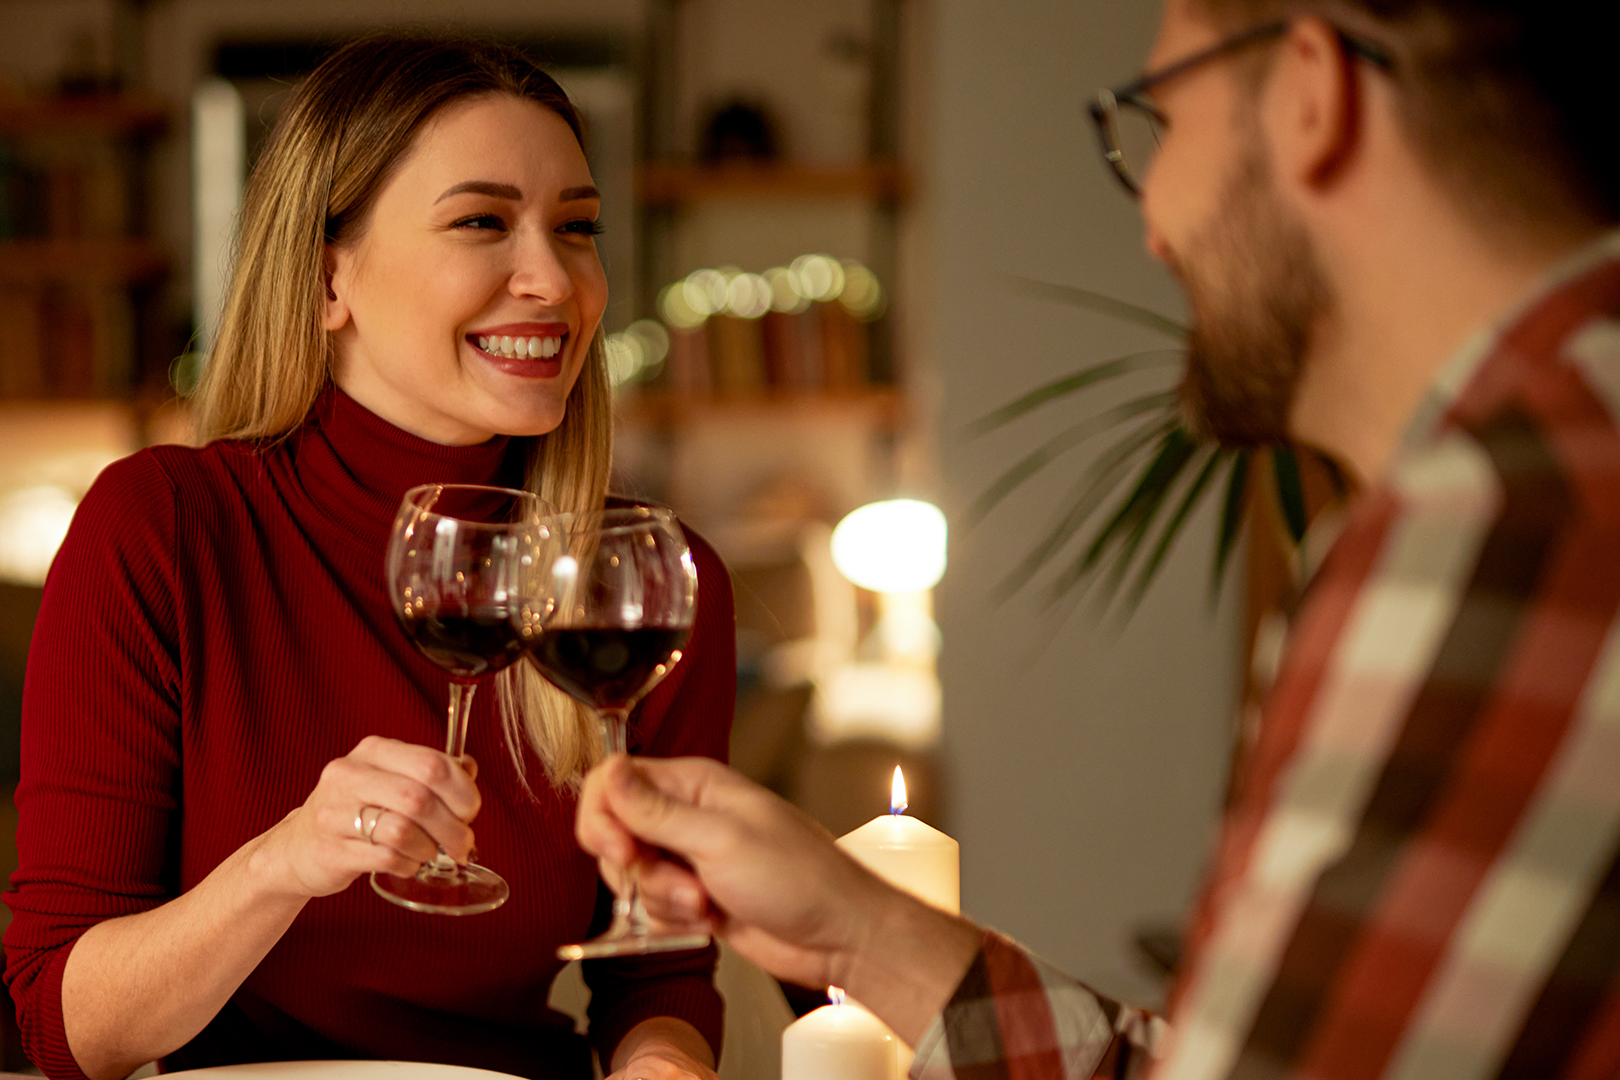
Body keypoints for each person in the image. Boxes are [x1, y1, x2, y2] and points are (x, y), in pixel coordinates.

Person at [576, 0, 1620, 1076]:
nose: (1152, 219)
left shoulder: (1503, 520)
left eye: (1158, 122)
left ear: (1314, 92)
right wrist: (864, 932)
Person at [1, 33, 734, 1080]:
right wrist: (287, 861)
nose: (552, 279)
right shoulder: (163, 530)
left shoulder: (642, 583)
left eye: (578, 229)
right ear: (326, 274)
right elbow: (68, 1027)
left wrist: (664, 1070)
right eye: (483, 221)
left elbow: (656, 979)